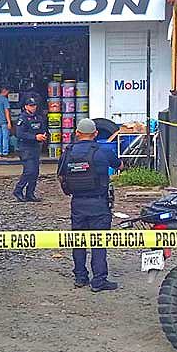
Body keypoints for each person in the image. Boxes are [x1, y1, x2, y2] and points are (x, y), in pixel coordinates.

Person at [57, 118, 121, 292]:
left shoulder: (67, 152)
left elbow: (61, 176)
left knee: (79, 241)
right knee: (99, 243)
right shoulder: (103, 151)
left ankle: (80, 277)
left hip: (77, 203)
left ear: (77, 133)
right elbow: (119, 165)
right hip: (99, 203)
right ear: (96, 134)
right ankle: (99, 281)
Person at [13, 96, 47, 202]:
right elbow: (19, 134)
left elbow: (42, 129)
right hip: (25, 148)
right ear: (26, 106)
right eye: (31, 106)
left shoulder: (38, 118)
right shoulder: (22, 118)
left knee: (35, 172)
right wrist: (34, 137)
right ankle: (18, 190)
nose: (33, 108)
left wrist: (43, 136)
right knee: (29, 171)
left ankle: (30, 193)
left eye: (34, 106)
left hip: (36, 148)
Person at [0, 86, 12, 157]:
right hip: (4, 121)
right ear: (4, 91)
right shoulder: (5, 100)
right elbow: (6, 111)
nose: (8, 93)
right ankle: (5, 152)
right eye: (8, 92)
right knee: (5, 137)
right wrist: (9, 122)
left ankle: (0, 151)